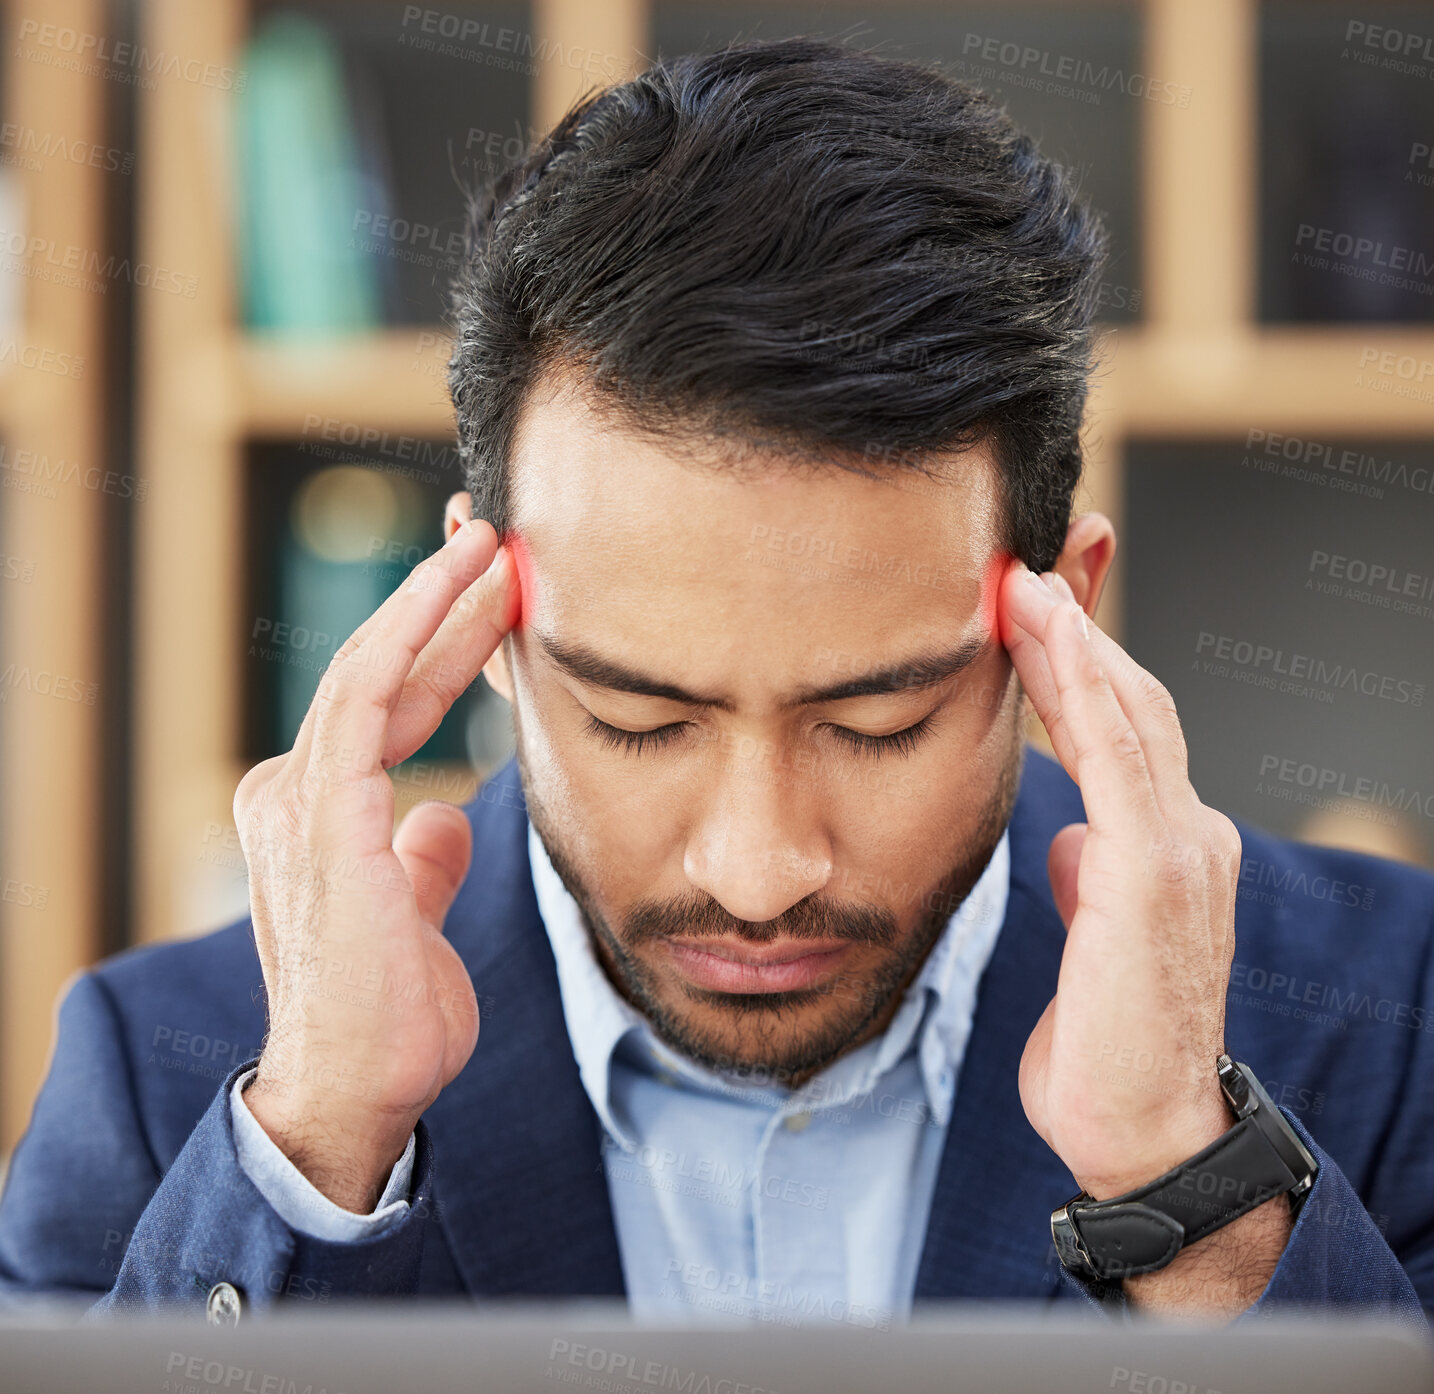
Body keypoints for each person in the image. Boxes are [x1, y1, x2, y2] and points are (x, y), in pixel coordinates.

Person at [1, 37, 1430, 1328]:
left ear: (1063, 620)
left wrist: (1189, 1188)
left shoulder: (1393, 1016)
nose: (756, 871)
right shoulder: (169, 1084)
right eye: (641, 716)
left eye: (877, 720)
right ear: (476, 622)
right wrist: (316, 1154)